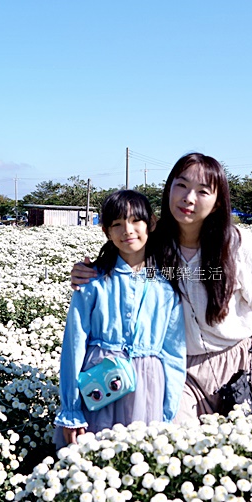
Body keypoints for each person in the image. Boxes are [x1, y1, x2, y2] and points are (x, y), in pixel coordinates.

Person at [71, 153, 252, 425]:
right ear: (169, 187)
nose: (188, 198)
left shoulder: (236, 243)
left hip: (238, 362)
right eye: (182, 185)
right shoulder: (155, 242)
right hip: (179, 368)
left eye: (203, 191)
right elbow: (122, 266)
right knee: (178, 448)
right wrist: (90, 272)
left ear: (217, 201)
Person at [55, 190, 186, 447]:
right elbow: (74, 345)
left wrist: (168, 413)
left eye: (136, 220)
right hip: (99, 380)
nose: (127, 230)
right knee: (92, 458)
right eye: (117, 224)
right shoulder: (92, 281)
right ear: (106, 231)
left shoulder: (166, 285)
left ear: (152, 224)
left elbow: (174, 353)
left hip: (147, 383)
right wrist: (71, 411)